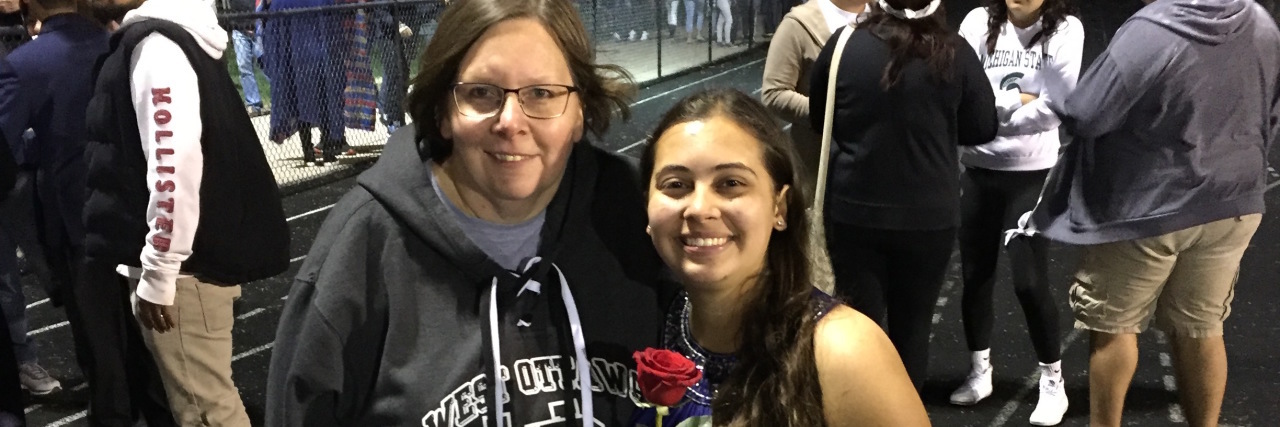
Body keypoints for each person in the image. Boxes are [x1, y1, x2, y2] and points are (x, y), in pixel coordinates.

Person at [265, 0, 670, 424]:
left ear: (578, 111)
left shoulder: (633, 213)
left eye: (542, 93)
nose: (510, 121)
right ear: (442, 111)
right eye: (481, 93)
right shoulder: (362, 250)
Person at [1020, 0, 1280, 425]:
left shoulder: (1151, 30)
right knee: (1202, 328)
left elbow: (1087, 113)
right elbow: (1271, 111)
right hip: (1233, 204)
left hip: (1145, 209)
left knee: (1113, 327)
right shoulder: (1260, 22)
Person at [631, 88, 928, 426]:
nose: (699, 209)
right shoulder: (642, 325)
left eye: (730, 183)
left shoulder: (843, 352)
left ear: (779, 207)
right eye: (675, 184)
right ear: (647, 208)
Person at [82, 0, 292, 424]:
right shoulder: (173, 36)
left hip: (184, 273)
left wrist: (160, 269)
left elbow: (171, 165)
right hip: (191, 266)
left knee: (206, 411)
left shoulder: (157, 46)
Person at [809, 0, 998, 390]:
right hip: (928, 217)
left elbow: (819, 118)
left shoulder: (844, 44)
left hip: (853, 213)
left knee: (856, 326)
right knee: (913, 328)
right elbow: (982, 126)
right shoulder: (955, 52)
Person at [949, 0, 1082, 423]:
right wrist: (1019, 100)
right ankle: (980, 371)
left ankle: (1052, 381)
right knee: (975, 277)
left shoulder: (1065, 31)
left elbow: (1056, 109)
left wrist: (993, 111)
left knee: (1028, 281)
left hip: (1032, 174)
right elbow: (962, 94)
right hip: (978, 168)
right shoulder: (976, 22)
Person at [0, 0, 117, 400]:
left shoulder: (25, 62)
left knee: (99, 342)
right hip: (125, 208)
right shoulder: (120, 43)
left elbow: (6, 149)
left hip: (67, 210)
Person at [761, 0, 865, 204]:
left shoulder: (887, 20)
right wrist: (832, 115)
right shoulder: (799, 24)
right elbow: (774, 92)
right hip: (818, 168)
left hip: (869, 170)